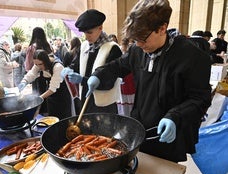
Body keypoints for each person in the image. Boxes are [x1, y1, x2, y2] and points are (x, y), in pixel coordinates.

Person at [85, 0, 212, 163]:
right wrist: (98, 75)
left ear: (162, 28)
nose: (138, 44)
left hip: (168, 131)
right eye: (135, 40)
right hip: (140, 127)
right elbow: (119, 65)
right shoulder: (137, 50)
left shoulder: (191, 56)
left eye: (143, 39)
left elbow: (200, 98)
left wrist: (175, 116)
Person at [61, 9, 122, 114]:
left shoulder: (112, 48)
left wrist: (82, 80)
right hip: (85, 99)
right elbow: (76, 64)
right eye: (84, 33)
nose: (87, 36)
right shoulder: (84, 46)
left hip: (104, 105)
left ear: (100, 28)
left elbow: (109, 82)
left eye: (90, 32)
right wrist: (69, 69)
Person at [18, 49, 71, 119]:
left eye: (40, 64)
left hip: (61, 96)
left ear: (46, 61)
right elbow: (32, 73)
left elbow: (52, 89)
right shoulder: (39, 63)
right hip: (51, 97)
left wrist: (39, 98)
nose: (38, 67)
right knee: (52, 118)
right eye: (36, 64)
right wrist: (24, 81)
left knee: (62, 118)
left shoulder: (58, 67)